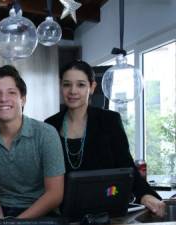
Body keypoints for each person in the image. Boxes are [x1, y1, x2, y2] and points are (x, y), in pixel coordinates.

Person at [44, 60, 166, 217]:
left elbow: (126, 165)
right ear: (61, 87)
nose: (73, 91)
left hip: (107, 212)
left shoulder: (109, 120)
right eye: (67, 84)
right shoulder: (49, 126)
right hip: (63, 214)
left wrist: (145, 194)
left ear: (92, 87)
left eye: (81, 85)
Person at [0, 65, 65, 219]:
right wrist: (0, 221)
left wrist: (17, 223)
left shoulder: (46, 134)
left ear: (23, 99)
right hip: (2, 210)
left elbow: (55, 194)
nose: (4, 99)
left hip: (41, 212)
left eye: (11, 92)